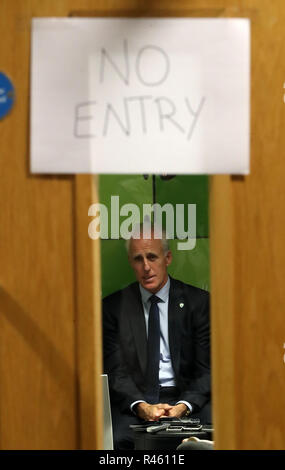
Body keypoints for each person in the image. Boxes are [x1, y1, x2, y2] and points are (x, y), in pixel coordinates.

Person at [103, 224, 211, 450]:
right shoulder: (114, 307)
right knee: (115, 439)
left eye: (152, 257)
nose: (146, 267)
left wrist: (183, 405)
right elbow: (115, 371)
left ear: (168, 258)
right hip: (136, 402)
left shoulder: (198, 303)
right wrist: (141, 406)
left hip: (187, 399)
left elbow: (207, 370)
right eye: (138, 259)